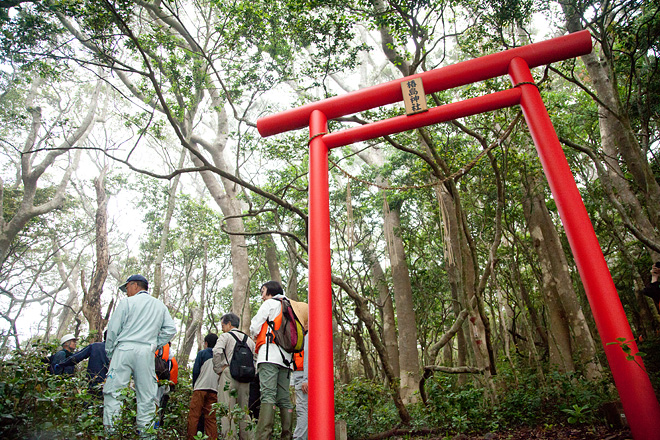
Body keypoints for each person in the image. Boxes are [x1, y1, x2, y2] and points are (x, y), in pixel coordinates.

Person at [103, 274, 177, 436]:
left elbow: (113, 330)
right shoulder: (159, 305)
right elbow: (171, 329)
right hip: (146, 352)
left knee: (114, 395)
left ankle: (112, 434)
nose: (127, 291)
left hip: (124, 349)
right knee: (147, 398)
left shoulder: (127, 303)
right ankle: (147, 436)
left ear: (135, 285)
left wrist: (110, 353)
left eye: (127, 287)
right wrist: (154, 344)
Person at [250, 281, 294, 440]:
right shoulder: (290, 306)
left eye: (263, 291)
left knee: (268, 395)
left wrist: (254, 335)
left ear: (270, 292)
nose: (262, 295)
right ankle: (287, 435)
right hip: (287, 359)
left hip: (269, 356)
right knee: (284, 397)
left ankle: (263, 436)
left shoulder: (270, 303)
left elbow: (254, 326)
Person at [213, 312, 256, 440]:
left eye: (223, 325)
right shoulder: (249, 340)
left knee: (226, 409)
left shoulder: (225, 336)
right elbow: (256, 359)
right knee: (244, 411)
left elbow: (216, 351)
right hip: (245, 377)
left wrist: (219, 368)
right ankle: (248, 437)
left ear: (229, 324)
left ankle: (229, 437)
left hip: (228, 374)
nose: (222, 328)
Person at [56, 331, 110, 396]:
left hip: (94, 384)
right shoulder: (119, 351)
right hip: (112, 386)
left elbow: (76, 357)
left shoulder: (95, 346)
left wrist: (61, 364)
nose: (75, 343)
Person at [187, 333, 220, 440]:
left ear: (206, 343)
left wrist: (194, 386)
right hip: (214, 389)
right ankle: (212, 438)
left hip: (200, 388)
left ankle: (191, 437)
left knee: (194, 416)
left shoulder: (202, 353)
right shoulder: (219, 355)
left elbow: (196, 371)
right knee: (211, 418)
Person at [291, 301, 309, 440]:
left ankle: (299, 438)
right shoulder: (302, 336)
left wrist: (306, 379)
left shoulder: (308, 336)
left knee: (302, 410)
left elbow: (308, 357)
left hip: (302, 376)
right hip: (299, 375)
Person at [155, 341, 179, 428]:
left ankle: (151, 428)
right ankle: (157, 427)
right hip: (163, 384)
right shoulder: (171, 357)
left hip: (155, 381)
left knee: (152, 405)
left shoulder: (156, 348)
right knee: (159, 406)